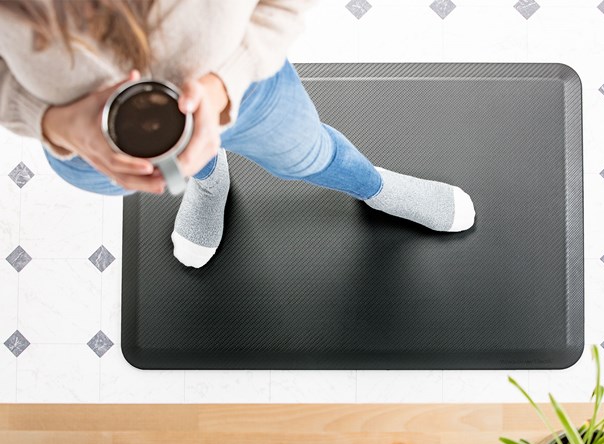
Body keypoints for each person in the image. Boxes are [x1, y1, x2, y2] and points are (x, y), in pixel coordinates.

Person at [0, 0, 475, 269]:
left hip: (245, 86)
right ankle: (209, 184)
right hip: (88, 145)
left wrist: (224, 79)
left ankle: (374, 187)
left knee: (309, 153)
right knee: (177, 174)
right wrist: (48, 120)